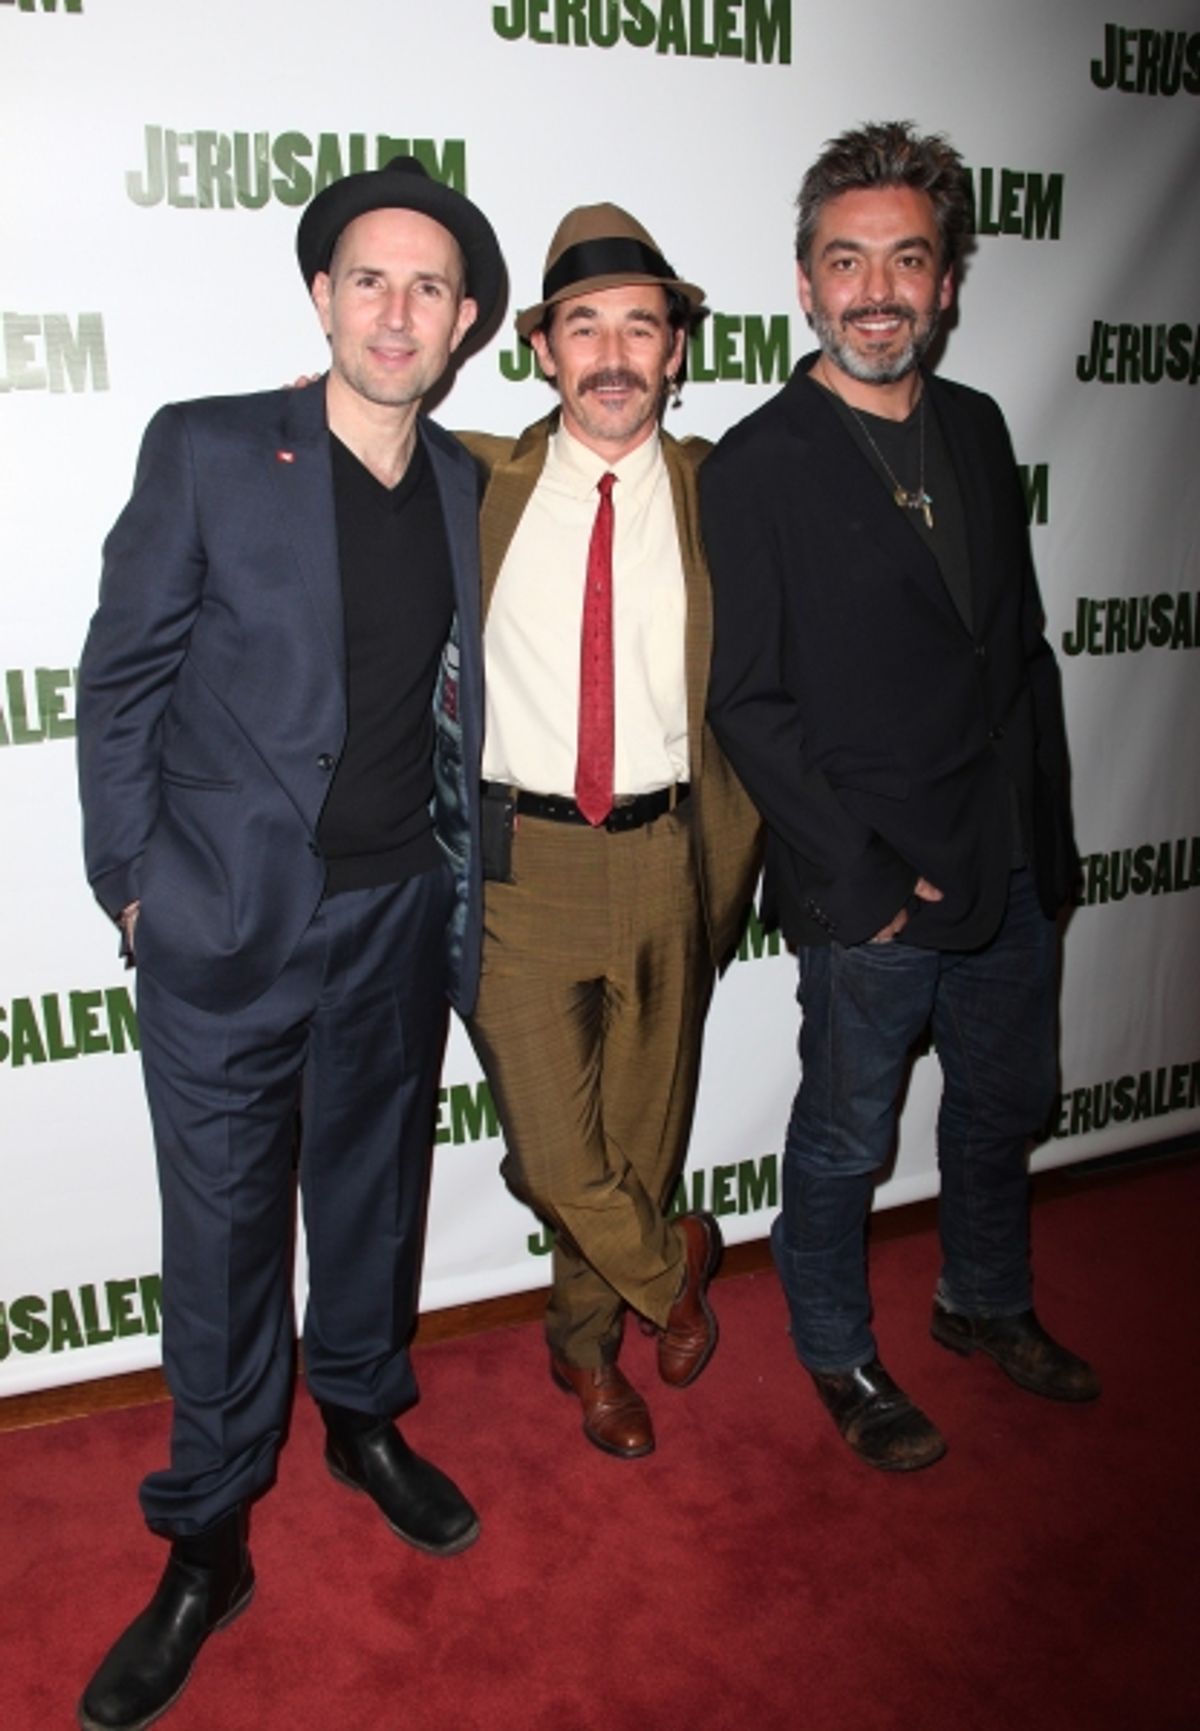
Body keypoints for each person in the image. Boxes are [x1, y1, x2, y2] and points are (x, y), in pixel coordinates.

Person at [74, 156, 501, 1730]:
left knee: (374, 1201)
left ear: (464, 323)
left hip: (399, 920)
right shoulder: (206, 450)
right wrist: (133, 882)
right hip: (225, 925)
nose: (398, 310)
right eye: (369, 279)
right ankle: (206, 1529)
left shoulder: (466, 485)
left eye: (429, 287)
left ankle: (365, 1412)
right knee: (227, 1239)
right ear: (322, 297)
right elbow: (119, 680)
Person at [701, 121, 1099, 1474]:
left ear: (946, 281)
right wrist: (860, 883)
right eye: (847, 260)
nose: (879, 289)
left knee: (1003, 1103)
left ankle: (983, 1297)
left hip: (1009, 867)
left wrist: (1048, 843)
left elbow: (1017, 652)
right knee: (844, 1138)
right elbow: (747, 700)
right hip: (873, 886)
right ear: (805, 283)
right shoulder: (758, 461)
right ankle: (836, 1346)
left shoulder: (978, 426)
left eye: (908, 259)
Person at [461, 204, 761, 1460]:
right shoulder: (471, 480)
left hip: (669, 859)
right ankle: (672, 1260)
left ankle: (587, 1355)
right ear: (541, 349)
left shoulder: (724, 497)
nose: (615, 353)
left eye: (643, 324)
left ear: (679, 349)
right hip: (521, 871)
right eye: (585, 326)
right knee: (551, 1149)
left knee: (638, 1140)